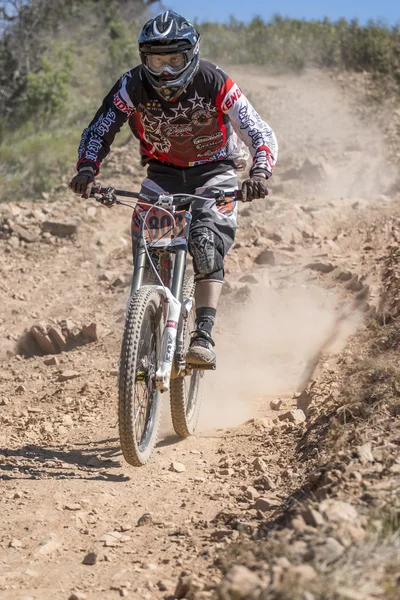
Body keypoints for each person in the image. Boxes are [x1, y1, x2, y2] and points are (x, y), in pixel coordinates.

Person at [70, 10, 278, 368]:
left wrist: (259, 173)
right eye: (156, 60)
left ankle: (203, 335)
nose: (165, 70)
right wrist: (87, 169)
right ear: (143, 59)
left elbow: (259, 130)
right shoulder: (132, 84)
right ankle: (148, 324)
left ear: (191, 56)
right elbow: (99, 128)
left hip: (214, 171)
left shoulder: (214, 81)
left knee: (205, 242)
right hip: (162, 173)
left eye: (174, 60)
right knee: (146, 249)